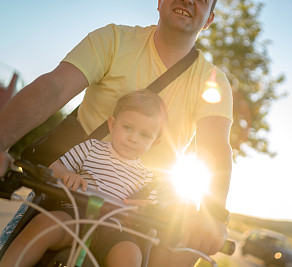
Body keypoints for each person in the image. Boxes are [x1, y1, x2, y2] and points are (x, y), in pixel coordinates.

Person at [0, 0, 233, 266]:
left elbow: (214, 147)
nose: (188, 0)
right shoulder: (114, 39)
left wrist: (212, 215)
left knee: (182, 251)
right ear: (159, 3)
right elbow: (55, 86)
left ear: (209, 19)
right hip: (72, 192)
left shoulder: (212, 82)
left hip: (143, 208)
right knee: (33, 235)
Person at [0, 90, 168, 267]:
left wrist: (145, 208)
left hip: (114, 229)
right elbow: (55, 167)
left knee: (132, 255)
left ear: (155, 142)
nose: (133, 138)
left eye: (145, 135)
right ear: (112, 124)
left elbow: (151, 210)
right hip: (74, 214)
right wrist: (66, 174)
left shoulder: (148, 177)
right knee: (42, 226)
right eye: (128, 128)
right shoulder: (91, 148)